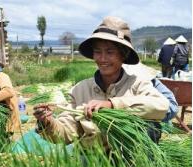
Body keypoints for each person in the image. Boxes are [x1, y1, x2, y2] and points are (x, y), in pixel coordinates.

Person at [33, 16, 169, 152]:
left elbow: (162, 106)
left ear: (123, 55)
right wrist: (48, 123)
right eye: (98, 52)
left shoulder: (137, 83)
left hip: (131, 159)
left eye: (110, 52)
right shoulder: (80, 90)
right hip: (93, 159)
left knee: (151, 127)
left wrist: (112, 104)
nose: (102, 59)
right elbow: (66, 134)